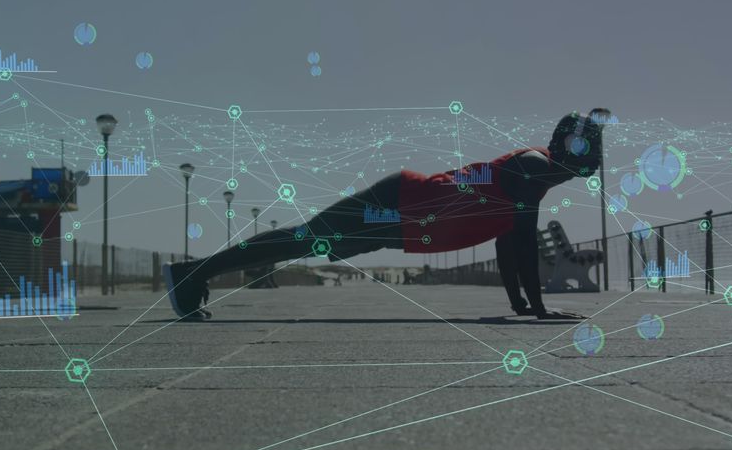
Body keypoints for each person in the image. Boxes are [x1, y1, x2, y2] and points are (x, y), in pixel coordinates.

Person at [164, 108, 609, 320]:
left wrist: (523, 305)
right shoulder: (534, 168)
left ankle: (191, 274)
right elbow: (523, 239)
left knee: (306, 241)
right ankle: (191, 276)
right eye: (584, 157)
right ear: (571, 152)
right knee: (305, 238)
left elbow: (508, 240)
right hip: (401, 205)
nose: (583, 169)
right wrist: (539, 311)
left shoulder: (539, 173)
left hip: (404, 223)